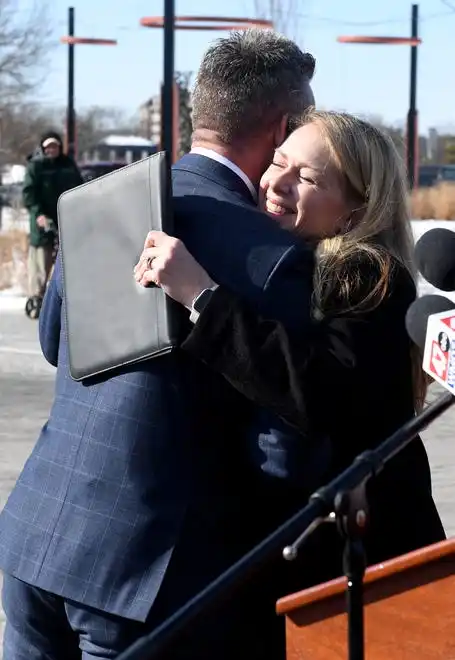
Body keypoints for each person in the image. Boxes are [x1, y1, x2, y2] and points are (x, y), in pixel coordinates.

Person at [0, 30, 317, 660]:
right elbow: (279, 448)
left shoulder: (101, 204)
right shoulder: (275, 255)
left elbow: (55, 341)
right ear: (282, 129)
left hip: (37, 537)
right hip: (148, 574)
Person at [134, 110, 446, 570]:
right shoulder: (290, 255)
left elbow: (317, 388)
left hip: (363, 557)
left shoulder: (372, 274)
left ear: (355, 211)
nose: (278, 183)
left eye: (307, 177)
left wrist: (201, 296)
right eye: (278, 162)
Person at [22, 131, 83, 305]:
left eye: (55, 146)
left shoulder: (68, 164)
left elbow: (78, 187)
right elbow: (29, 194)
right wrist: (39, 214)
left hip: (66, 219)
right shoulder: (36, 166)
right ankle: (37, 297)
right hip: (42, 220)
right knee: (42, 260)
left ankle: (64, 298)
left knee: (66, 261)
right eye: (48, 146)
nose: (51, 149)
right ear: (43, 148)